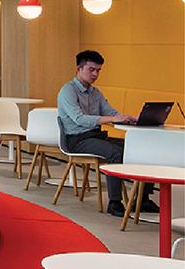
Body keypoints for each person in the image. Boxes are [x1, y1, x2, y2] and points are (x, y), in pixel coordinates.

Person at [57, 50, 158, 218]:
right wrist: (112, 118)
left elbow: (111, 113)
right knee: (116, 153)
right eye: (91, 69)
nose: (95, 74)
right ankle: (114, 202)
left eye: (98, 70)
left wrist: (130, 118)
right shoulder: (68, 91)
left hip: (96, 137)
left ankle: (143, 199)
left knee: (142, 149)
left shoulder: (95, 92)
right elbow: (79, 119)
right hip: (77, 139)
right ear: (78, 69)